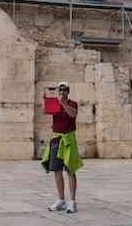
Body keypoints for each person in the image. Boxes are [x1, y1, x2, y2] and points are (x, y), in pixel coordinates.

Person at [41, 81, 82, 213]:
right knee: (57, 171)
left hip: (68, 139)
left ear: (68, 91)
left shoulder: (72, 103)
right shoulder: (55, 103)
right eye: (60, 90)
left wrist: (63, 103)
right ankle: (61, 200)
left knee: (70, 170)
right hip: (56, 139)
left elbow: (73, 114)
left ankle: (72, 202)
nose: (62, 92)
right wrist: (47, 100)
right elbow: (44, 111)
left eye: (64, 90)